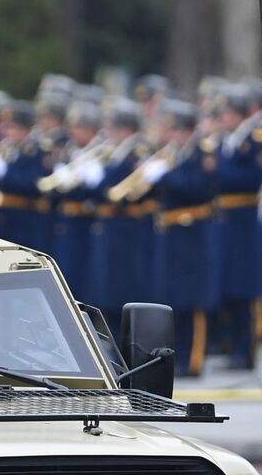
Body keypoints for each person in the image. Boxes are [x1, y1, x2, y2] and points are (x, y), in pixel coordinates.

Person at [145, 100, 218, 377]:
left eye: (173, 129)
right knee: (174, 298)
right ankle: (178, 357)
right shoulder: (172, 155)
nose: (168, 135)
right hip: (172, 235)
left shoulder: (202, 155)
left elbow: (198, 188)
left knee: (193, 300)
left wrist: (166, 177)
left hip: (193, 234)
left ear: (187, 130)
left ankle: (194, 359)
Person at [87, 99, 154, 330]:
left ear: (125, 128)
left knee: (124, 291)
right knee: (110, 291)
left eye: (112, 126)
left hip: (127, 230)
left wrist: (101, 184)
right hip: (112, 229)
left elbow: (130, 194)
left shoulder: (136, 152)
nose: (108, 131)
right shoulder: (116, 152)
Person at [213, 86, 262, 370]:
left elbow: (251, 176)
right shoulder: (228, 140)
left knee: (244, 287)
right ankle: (232, 345)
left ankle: (246, 350)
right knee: (229, 286)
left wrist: (217, 170)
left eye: (227, 113)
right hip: (227, 221)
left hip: (244, 220)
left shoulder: (254, 138)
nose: (222, 119)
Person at [47, 101, 103, 295]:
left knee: (83, 280)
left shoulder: (100, 154)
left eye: (80, 127)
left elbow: (99, 193)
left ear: (92, 130)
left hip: (86, 225)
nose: (74, 132)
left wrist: (88, 181)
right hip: (66, 224)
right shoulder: (69, 151)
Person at [0, 101, 53, 254]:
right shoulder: (6, 149)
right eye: (7, 127)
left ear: (26, 129)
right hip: (3, 219)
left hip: (25, 220)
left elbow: (33, 185)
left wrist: (4, 173)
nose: (8, 132)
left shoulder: (37, 152)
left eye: (13, 127)